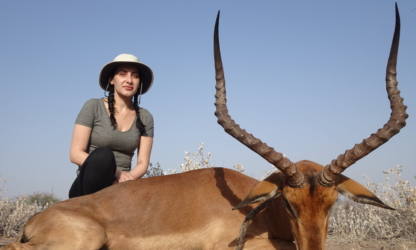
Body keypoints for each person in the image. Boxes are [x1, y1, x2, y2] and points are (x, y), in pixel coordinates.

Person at [68, 54, 154, 198]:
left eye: (135, 76)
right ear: (111, 79)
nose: (129, 80)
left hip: (123, 185)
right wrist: (116, 173)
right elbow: (75, 154)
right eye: (122, 74)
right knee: (103, 155)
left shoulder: (145, 117)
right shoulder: (93, 106)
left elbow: (143, 163)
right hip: (88, 185)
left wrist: (126, 180)